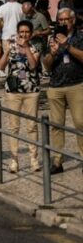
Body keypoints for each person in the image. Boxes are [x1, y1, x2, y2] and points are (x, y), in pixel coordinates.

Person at [0, 20, 42, 173]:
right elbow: (1, 67)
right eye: (21, 32)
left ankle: (33, 159)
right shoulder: (11, 47)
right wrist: (7, 51)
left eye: (26, 32)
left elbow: (33, 65)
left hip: (31, 90)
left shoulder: (35, 47)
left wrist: (26, 47)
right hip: (13, 91)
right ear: (17, 32)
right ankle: (14, 160)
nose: (23, 34)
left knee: (32, 126)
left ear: (31, 33)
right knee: (13, 126)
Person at [43, 9, 83, 175]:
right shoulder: (52, 38)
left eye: (67, 19)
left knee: (81, 123)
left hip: (77, 84)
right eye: (61, 20)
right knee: (56, 125)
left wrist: (67, 45)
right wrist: (52, 53)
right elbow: (46, 64)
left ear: (73, 20)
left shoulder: (80, 37)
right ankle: (57, 161)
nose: (64, 22)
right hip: (56, 86)